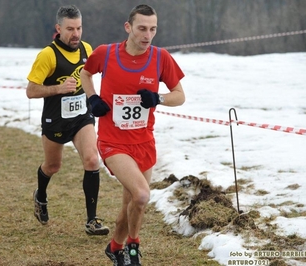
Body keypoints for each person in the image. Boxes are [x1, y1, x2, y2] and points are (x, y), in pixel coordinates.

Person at [80, 4, 186, 265]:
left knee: (131, 204)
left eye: (153, 29)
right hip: (112, 142)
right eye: (142, 28)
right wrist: (92, 98)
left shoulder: (161, 58)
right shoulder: (106, 53)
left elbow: (180, 96)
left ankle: (115, 247)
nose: (147, 35)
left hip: (144, 142)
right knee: (141, 195)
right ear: (128, 28)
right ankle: (133, 246)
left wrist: (157, 98)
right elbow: (85, 73)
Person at [26, 5, 109, 236]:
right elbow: (31, 91)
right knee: (53, 166)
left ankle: (92, 221)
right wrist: (59, 88)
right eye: (70, 28)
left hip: (82, 116)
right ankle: (40, 195)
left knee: (92, 160)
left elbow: (90, 75)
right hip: (56, 119)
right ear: (58, 28)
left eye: (79, 28)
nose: (76, 34)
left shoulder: (87, 48)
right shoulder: (48, 55)